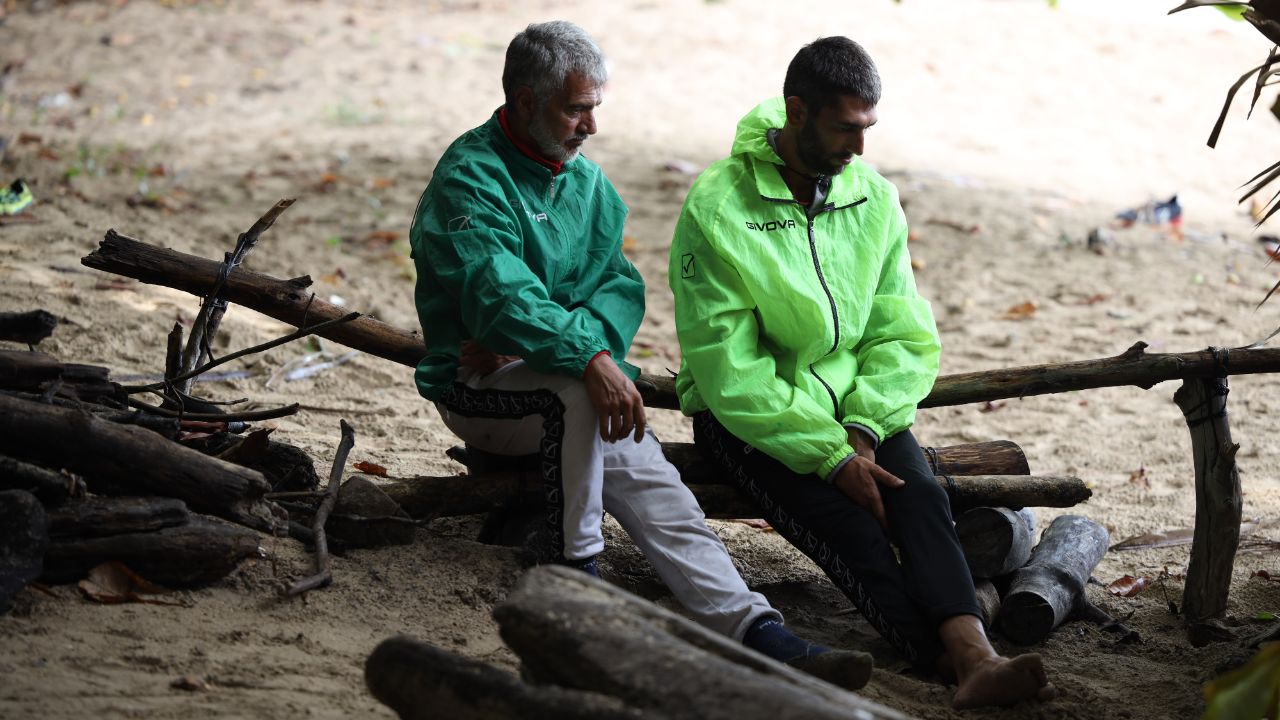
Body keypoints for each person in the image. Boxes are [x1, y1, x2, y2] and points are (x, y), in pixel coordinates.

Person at [408, 20, 871, 688]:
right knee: (575, 393)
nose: (591, 125)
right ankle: (579, 576)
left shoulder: (591, 187)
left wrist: (575, 343)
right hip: (480, 389)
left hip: (563, 384)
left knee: (659, 488)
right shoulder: (468, 178)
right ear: (526, 100)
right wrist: (587, 357)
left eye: (596, 106)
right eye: (576, 108)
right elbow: (498, 299)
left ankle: (756, 629)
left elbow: (619, 292)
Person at [668, 36, 1057, 709]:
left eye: (868, 128)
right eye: (845, 127)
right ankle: (949, 659)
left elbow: (901, 333)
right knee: (855, 529)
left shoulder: (873, 197)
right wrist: (827, 456)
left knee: (922, 500)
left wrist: (864, 428)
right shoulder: (717, 206)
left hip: (857, 413)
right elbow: (728, 370)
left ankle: (976, 657)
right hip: (748, 420)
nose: (860, 147)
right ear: (796, 112)